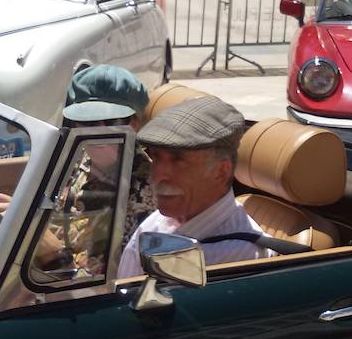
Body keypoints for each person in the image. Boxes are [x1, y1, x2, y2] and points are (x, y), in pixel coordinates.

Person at [0, 65, 156, 272]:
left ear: (134, 124)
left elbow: (103, 283)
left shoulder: (145, 190)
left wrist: (44, 245)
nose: (98, 132)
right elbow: (47, 234)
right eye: (88, 121)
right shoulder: (75, 163)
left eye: (110, 120)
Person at [116, 95, 271, 279]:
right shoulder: (156, 223)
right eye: (156, 157)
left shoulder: (238, 254)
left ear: (220, 172)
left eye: (178, 160)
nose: (158, 175)